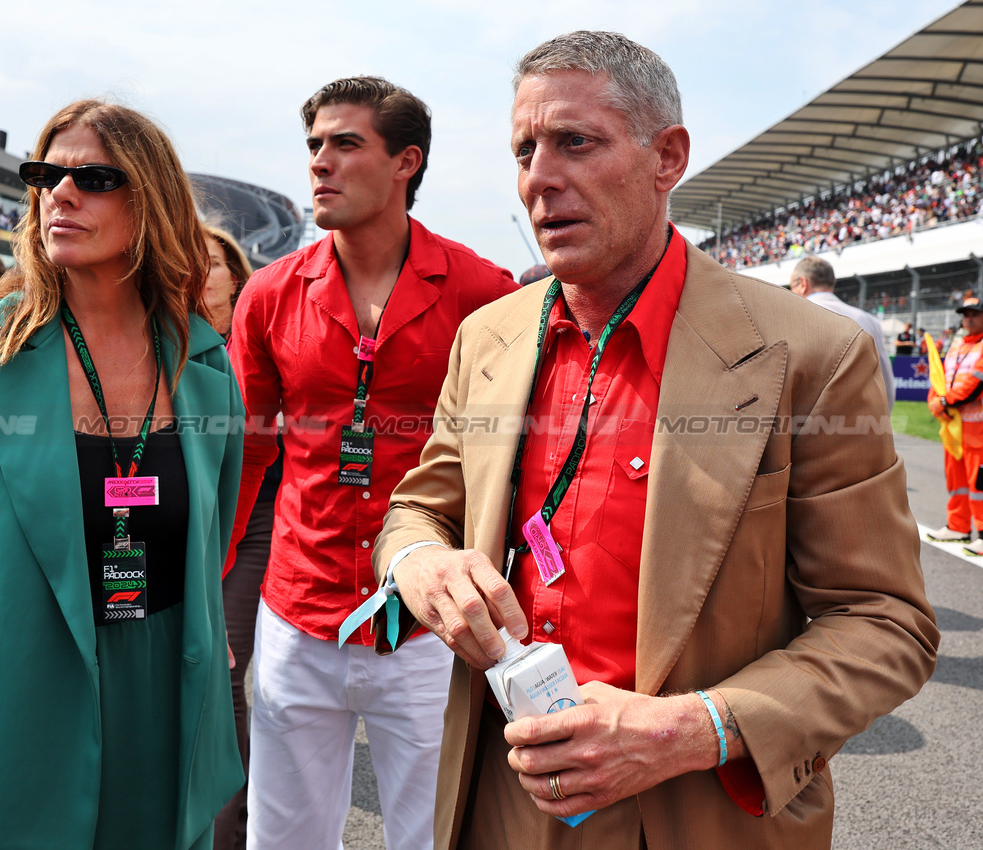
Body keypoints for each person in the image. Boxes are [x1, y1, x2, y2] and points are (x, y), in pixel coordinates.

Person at [372, 32, 938, 849]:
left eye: (575, 142)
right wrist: (415, 562)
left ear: (666, 156)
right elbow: (416, 509)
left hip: (693, 810)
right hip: (499, 799)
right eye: (524, 149)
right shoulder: (485, 338)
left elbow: (885, 622)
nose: (539, 178)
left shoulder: (808, 354)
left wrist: (694, 727)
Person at [0, 100, 244, 850]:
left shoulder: (202, 362)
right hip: (15, 672)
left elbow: (212, 531)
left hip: (165, 676)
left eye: (93, 178)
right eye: (47, 174)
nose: (59, 194)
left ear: (153, 202)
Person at [227, 76, 516, 850]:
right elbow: (245, 452)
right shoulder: (267, 293)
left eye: (344, 143)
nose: (319, 161)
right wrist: (211, 592)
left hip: (430, 621)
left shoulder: (483, 292)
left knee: (433, 834)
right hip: (297, 609)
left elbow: (516, 456)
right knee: (283, 836)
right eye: (314, 145)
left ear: (404, 163)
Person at [203, 222, 269, 850]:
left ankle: (229, 832)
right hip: (168, 536)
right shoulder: (149, 343)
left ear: (236, 276)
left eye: (210, 261)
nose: (195, 271)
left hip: (249, 529)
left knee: (222, 677)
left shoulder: (246, 346)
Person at [788, 256, 895, 410]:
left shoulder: (795, 317)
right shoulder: (869, 321)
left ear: (803, 284)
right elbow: (885, 381)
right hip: (863, 422)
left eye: (792, 287)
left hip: (808, 424)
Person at [925, 297, 983, 549]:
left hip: (978, 429)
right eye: (965, 314)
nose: (969, 318)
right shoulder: (957, 346)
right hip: (954, 428)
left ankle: (981, 535)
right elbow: (940, 378)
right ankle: (957, 527)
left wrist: (945, 402)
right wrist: (934, 402)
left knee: (979, 484)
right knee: (957, 482)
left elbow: (975, 385)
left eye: (975, 314)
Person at [203, 224, 252, 337]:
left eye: (214, 264)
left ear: (234, 282)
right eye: (193, 264)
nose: (202, 272)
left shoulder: (257, 340)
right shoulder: (167, 343)